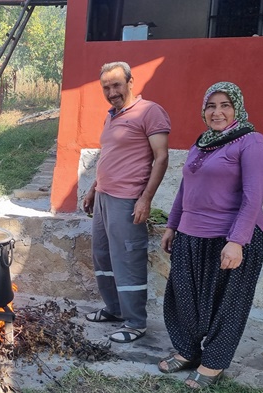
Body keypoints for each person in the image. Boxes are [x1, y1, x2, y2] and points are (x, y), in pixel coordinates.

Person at [158, 82, 263, 388]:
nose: (217, 112)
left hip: (231, 237)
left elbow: (253, 198)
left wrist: (236, 242)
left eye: (225, 105)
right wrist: (172, 225)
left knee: (228, 304)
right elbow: (186, 188)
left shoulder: (252, 143)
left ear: (237, 107)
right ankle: (187, 350)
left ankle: (214, 363)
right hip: (190, 234)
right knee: (184, 298)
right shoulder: (202, 143)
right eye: (211, 105)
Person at [82, 61, 170, 343]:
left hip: (128, 200)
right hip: (104, 197)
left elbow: (161, 157)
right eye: (106, 87)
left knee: (127, 259)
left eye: (116, 85)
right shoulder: (112, 116)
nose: (111, 92)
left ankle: (135, 322)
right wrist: (93, 187)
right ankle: (115, 309)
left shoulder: (150, 112)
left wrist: (145, 199)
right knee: (103, 256)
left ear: (131, 82)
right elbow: (110, 156)